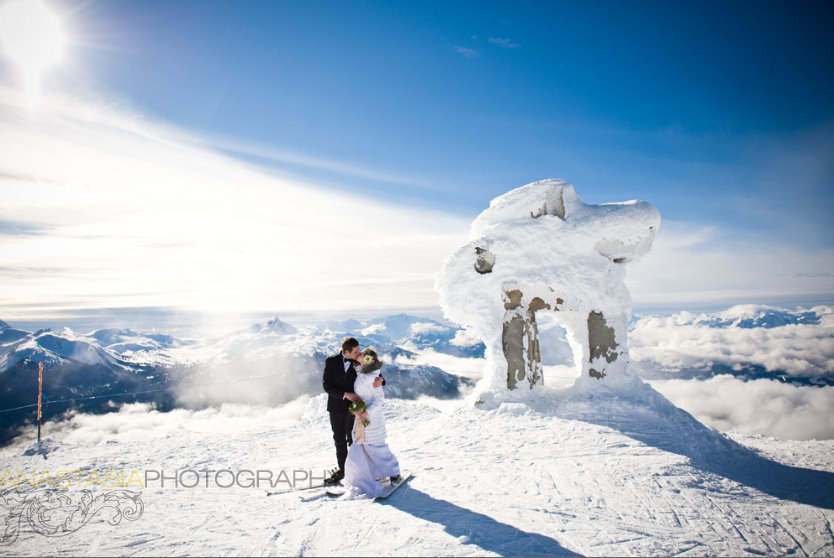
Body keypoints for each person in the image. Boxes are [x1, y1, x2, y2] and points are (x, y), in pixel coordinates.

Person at [343, 348, 401, 498]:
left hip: (370, 417)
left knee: (375, 445)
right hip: (362, 415)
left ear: (368, 359)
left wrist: (367, 412)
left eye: (362, 354)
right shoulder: (361, 372)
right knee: (363, 444)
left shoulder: (373, 377)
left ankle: (393, 472)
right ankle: (369, 475)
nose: (359, 355)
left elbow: (379, 399)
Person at [322, 337, 362, 485]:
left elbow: (377, 375)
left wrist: (380, 381)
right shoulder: (331, 362)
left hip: (354, 409)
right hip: (336, 407)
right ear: (346, 351)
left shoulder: (360, 361)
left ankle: (356, 470)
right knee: (339, 439)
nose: (359, 353)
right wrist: (345, 395)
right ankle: (343, 469)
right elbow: (326, 385)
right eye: (356, 351)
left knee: (353, 440)